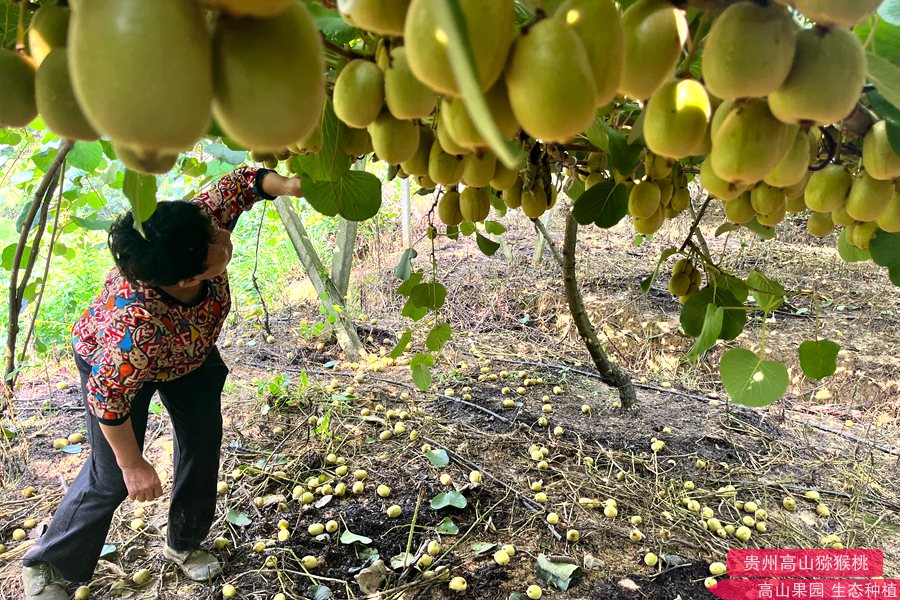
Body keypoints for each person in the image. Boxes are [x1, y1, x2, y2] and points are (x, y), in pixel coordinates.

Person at [21, 166, 303, 599]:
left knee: (202, 442)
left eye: (214, 231)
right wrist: (134, 465)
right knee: (111, 475)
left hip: (188, 354)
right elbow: (108, 400)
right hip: (116, 369)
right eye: (215, 245)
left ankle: (185, 543)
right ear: (190, 279)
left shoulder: (192, 229)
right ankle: (51, 565)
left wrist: (286, 186)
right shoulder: (135, 327)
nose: (222, 236)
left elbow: (243, 183)